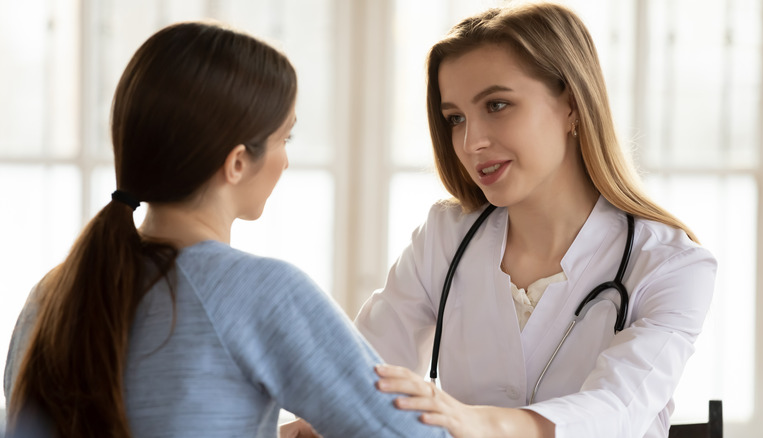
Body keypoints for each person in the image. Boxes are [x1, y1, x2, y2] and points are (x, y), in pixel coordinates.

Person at [2, 22, 449, 438]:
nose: (286, 161)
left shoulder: (54, 293)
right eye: (284, 139)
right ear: (237, 163)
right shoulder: (261, 292)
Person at [358, 3, 717, 438]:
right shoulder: (444, 237)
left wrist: (471, 420)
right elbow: (368, 370)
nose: (471, 142)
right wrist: (329, 418)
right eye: (455, 118)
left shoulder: (670, 265)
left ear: (571, 104)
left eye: (497, 105)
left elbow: (618, 409)